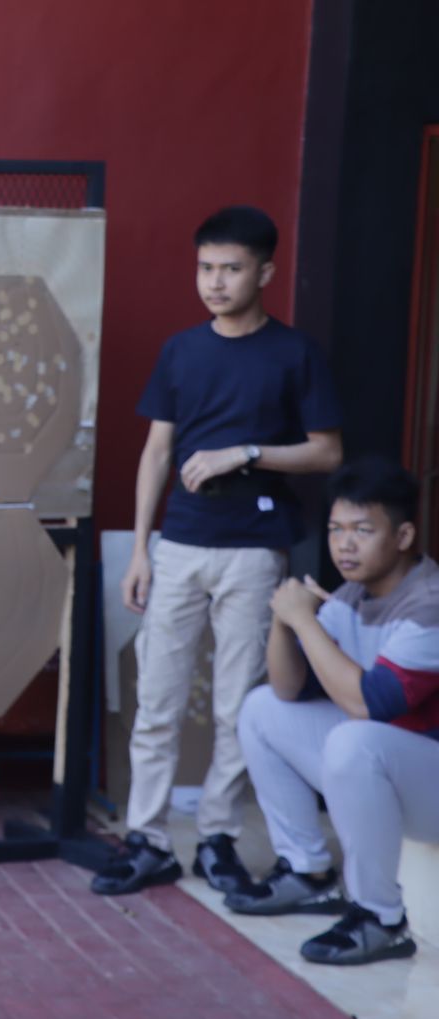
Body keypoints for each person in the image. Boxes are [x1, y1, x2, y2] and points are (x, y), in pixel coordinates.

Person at [95, 206, 344, 896]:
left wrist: (248, 452)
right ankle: (146, 840)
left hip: (256, 551)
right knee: (157, 700)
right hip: (180, 543)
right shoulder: (181, 350)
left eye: (231, 268)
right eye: (206, 267)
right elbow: (156, 453)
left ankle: (217, 839)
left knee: (238, 706)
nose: (215, 281)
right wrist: (141, 549)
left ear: (265, 272)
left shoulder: (295, 353)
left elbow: (328, 452)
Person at [223, 458, 438, 964]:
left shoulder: (428, 605)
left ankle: (381, 917)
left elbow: (370, 703)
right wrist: (285, 620)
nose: (344, 544)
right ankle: (308, 873)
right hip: (399, 772)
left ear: (404, 536)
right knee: (260, 709)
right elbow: (287, 688)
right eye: (336, 530)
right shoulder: (352, 596)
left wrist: (306, 620)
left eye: (362, 530)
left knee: (353, 739)